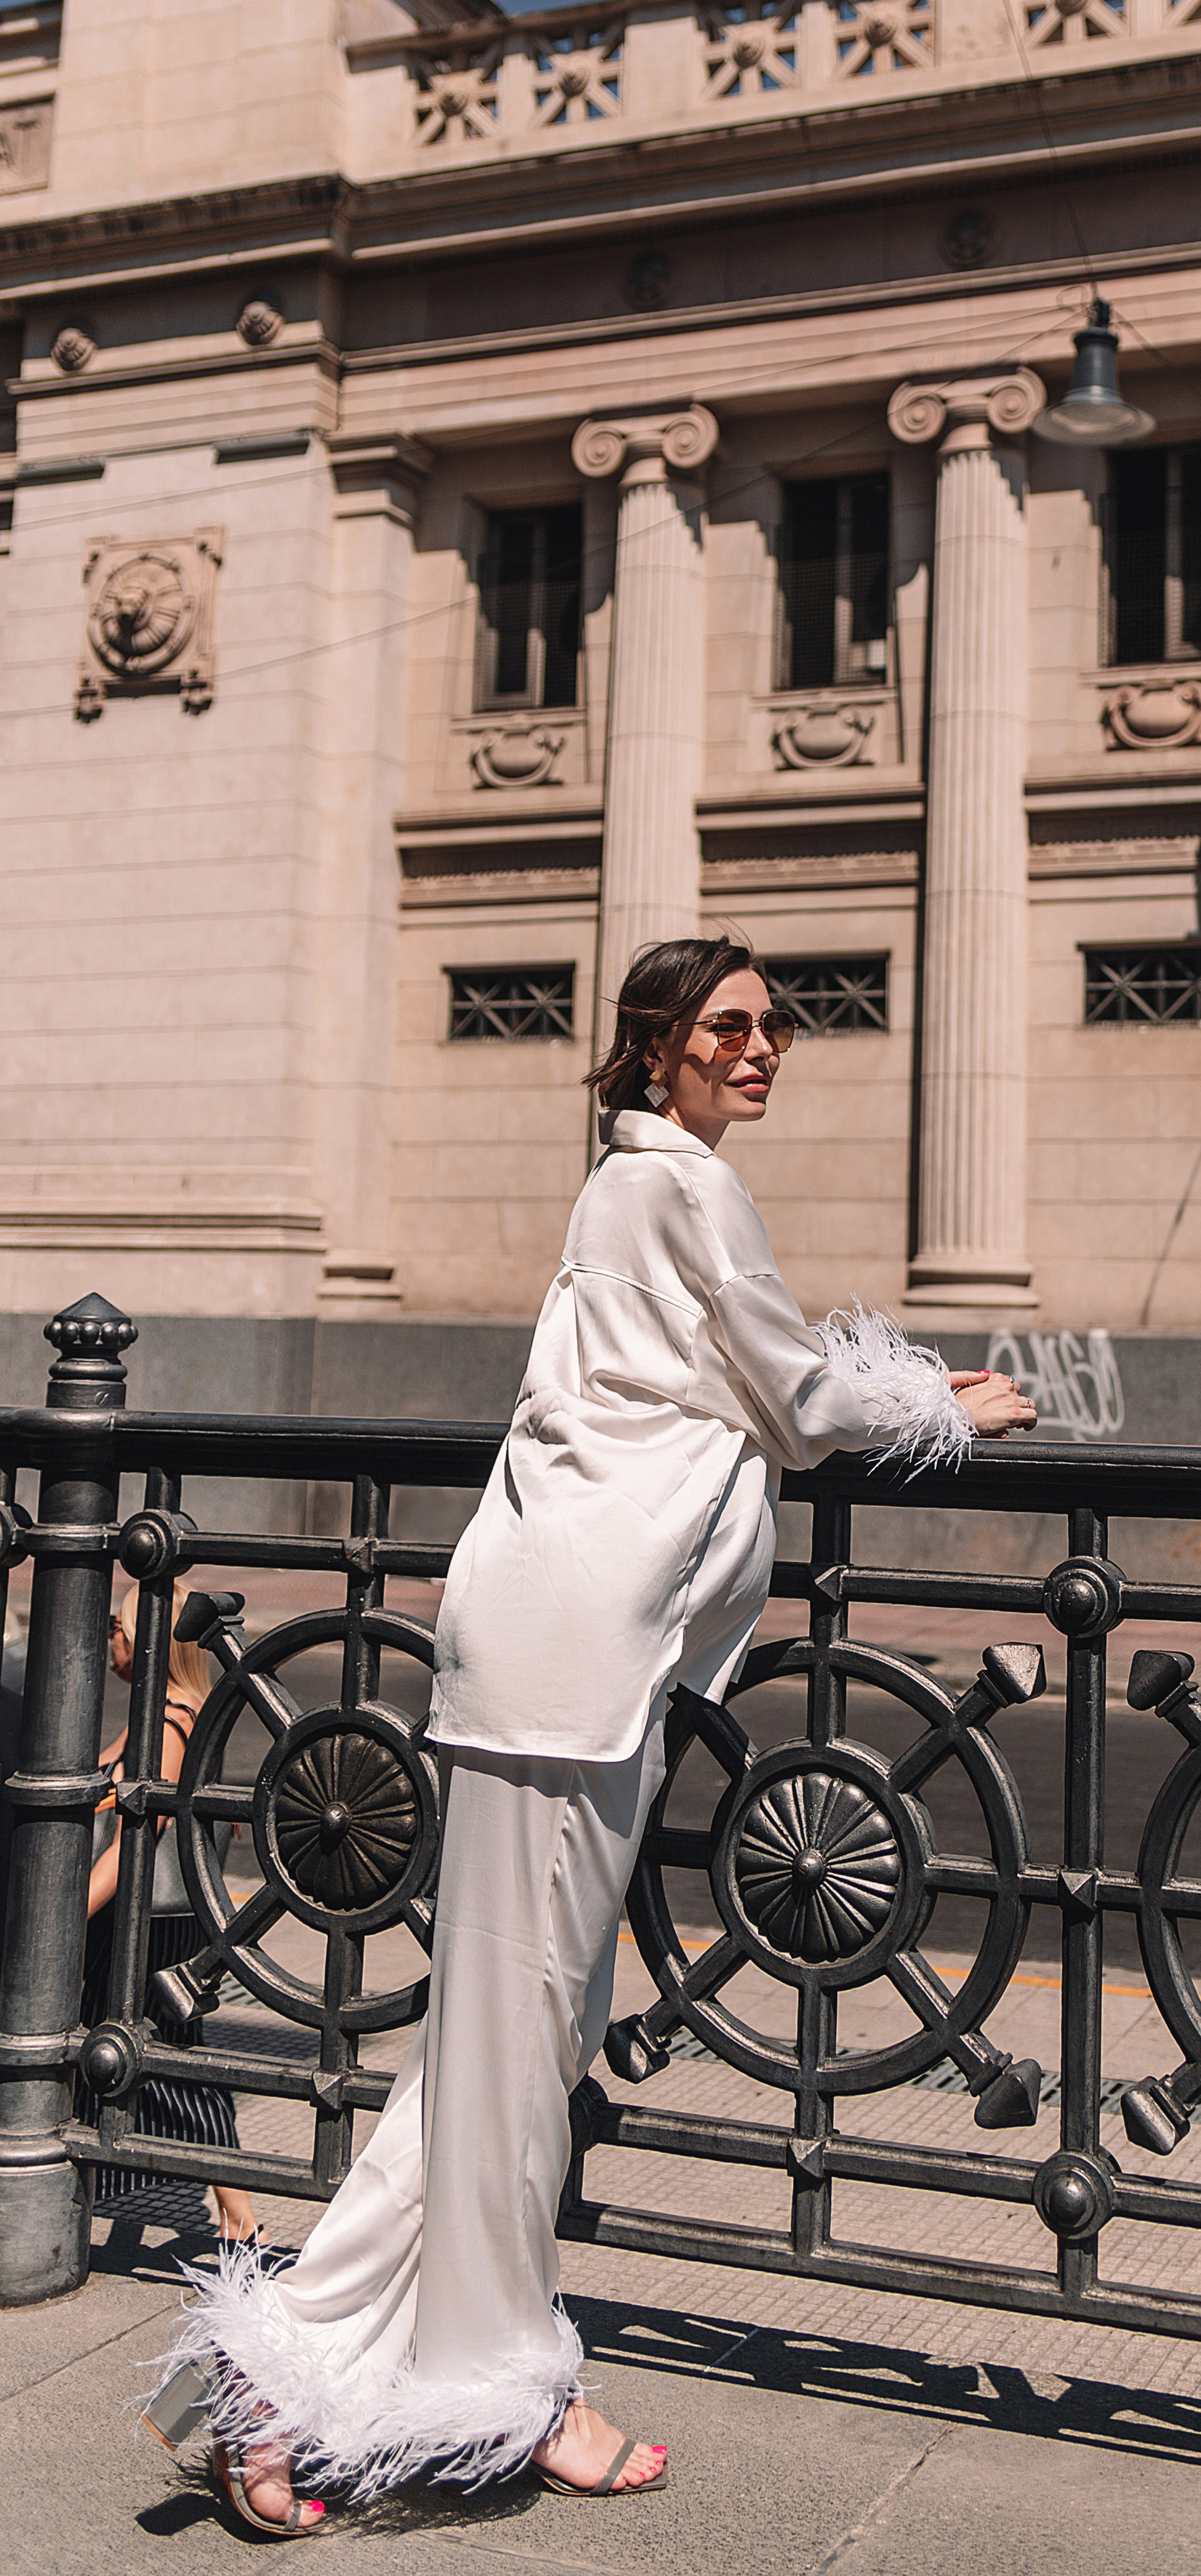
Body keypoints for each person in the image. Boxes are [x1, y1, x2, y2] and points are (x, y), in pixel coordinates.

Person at [156, 935, 1035, 2535]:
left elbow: (724, 1387)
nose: (759, 1050)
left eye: (774, 1028)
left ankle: (287, 2382)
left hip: (554, 1654)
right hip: (569, 1666)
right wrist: (938, 1405)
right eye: (727, 1029)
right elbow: (796, 1398)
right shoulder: (681, 1189)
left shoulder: (624, 1188)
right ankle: (494, 2388)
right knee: (516, 2051)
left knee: (498, 2051)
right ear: (656, 1051)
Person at [78, 1589, 261, 2242]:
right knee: (165, 2053)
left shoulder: (170, 1724)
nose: (111, 1640)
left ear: (152, 1642)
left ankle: (242, 2219)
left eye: (116, 1627)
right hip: (154, 1918)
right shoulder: (171, 1711)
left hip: (147, 1922)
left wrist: (71, 1915)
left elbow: (137, 1841)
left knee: (165, 2057)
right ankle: (238, 2217)